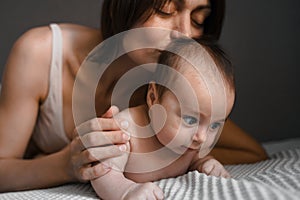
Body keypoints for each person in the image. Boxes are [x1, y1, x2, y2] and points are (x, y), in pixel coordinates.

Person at [0, 0, 267, 193]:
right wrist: (64, 165)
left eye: (198, 19)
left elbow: (252, 153)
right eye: (166, 10)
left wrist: (183, 155)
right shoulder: (40, 53)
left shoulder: (171, 91)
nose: (185, 34)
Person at [90, 37, 234, 200]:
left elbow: (195, 161)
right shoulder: (126, 129)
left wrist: (206, 164)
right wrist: (126, 191)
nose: (202, 138)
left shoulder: (190, 145)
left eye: (214, 125)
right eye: (190, 120)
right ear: (153, 97)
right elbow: (101, 171)